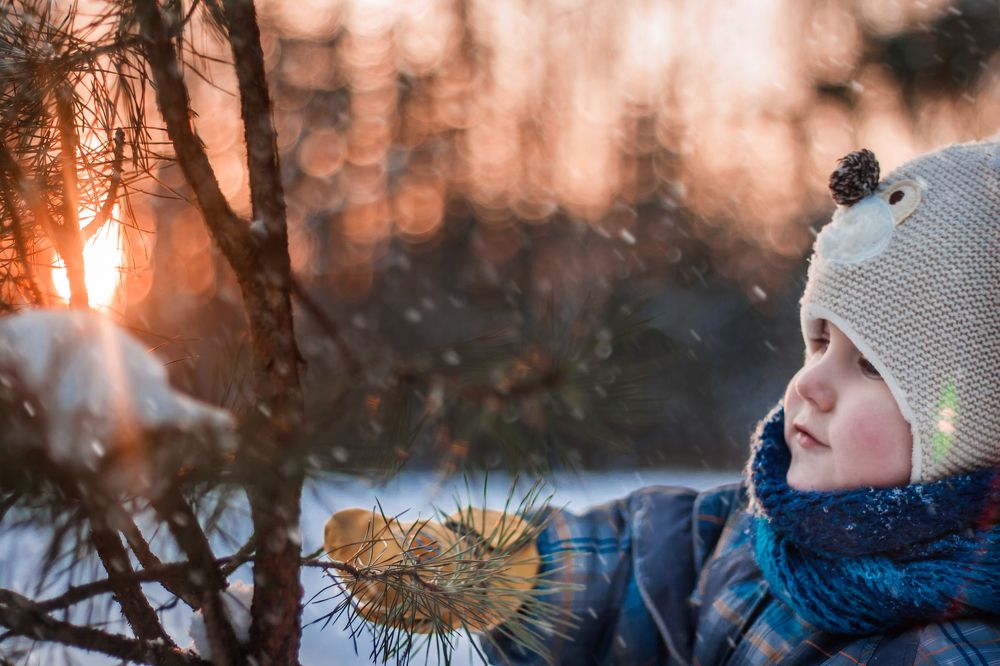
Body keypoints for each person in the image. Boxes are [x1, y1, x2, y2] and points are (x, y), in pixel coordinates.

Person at [325, 139, 1000, 664]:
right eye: (819, 341)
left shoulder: (957, 648)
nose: (810, 385)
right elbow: (638, 568)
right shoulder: (759, 536)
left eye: (873, 368)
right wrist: (495, 569)